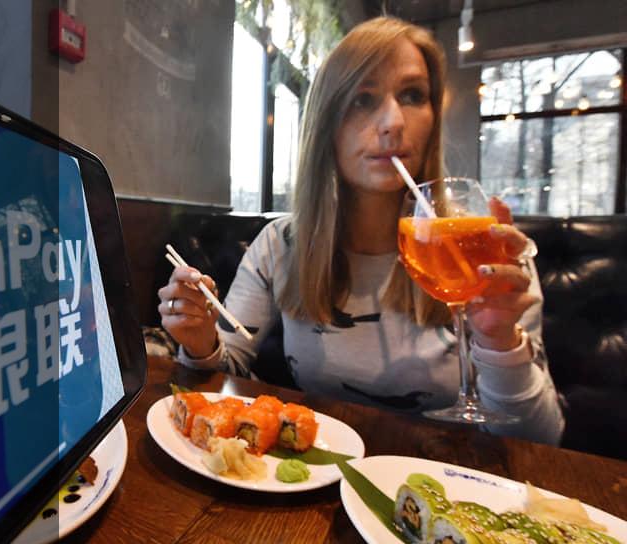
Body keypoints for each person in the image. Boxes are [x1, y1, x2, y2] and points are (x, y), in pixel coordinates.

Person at [157, 16, 564, 445]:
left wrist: (500, 343)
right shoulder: (282, 245)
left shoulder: (485, 250)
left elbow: (542, 441)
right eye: (363, 100)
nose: (393, 122)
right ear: (327, 125)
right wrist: (200, 343)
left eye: (412, 95)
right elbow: (230, 371)